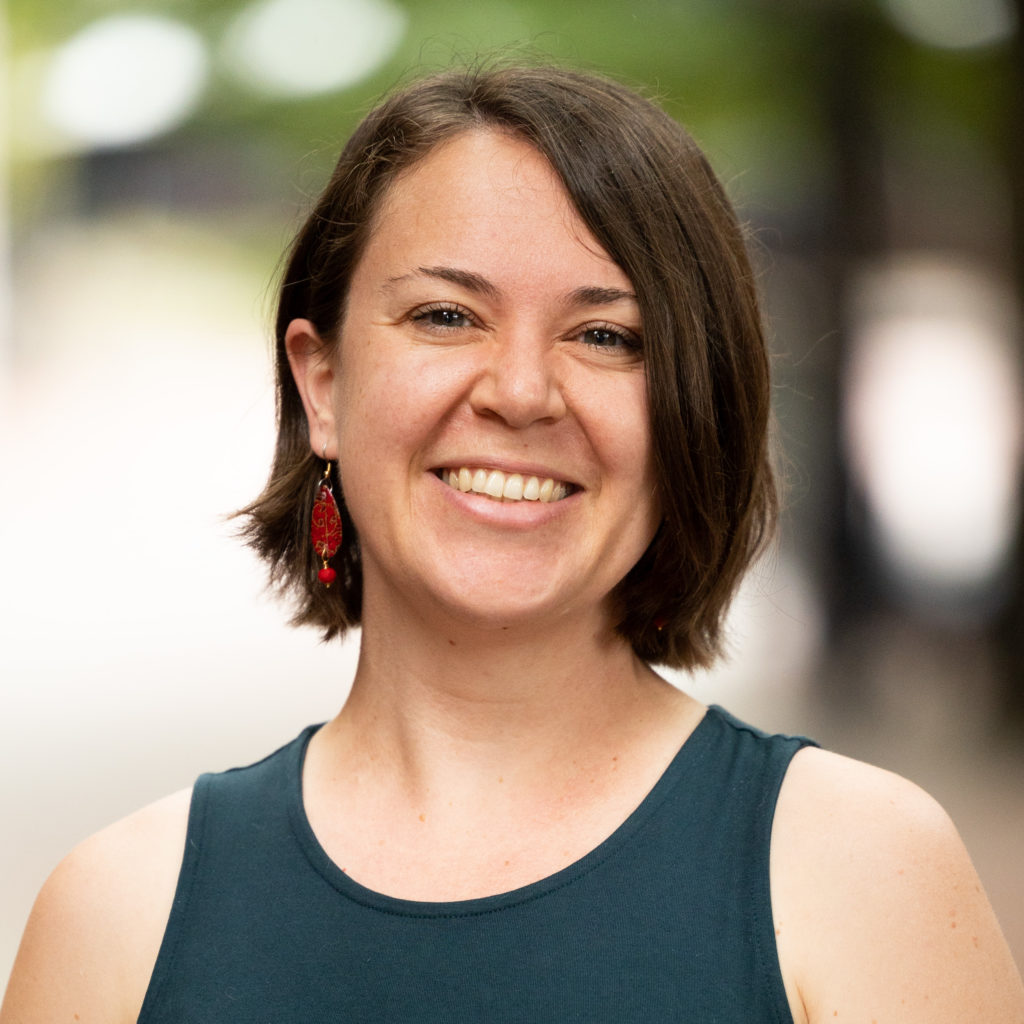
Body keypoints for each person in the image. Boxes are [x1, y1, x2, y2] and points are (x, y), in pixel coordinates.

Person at [3, 63, 1023, 1024]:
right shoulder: (115, 920)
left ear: (690, 410)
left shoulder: (862, 872)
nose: (522, 392)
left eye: (607, 335)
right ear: (322, 385)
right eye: (447, 315)